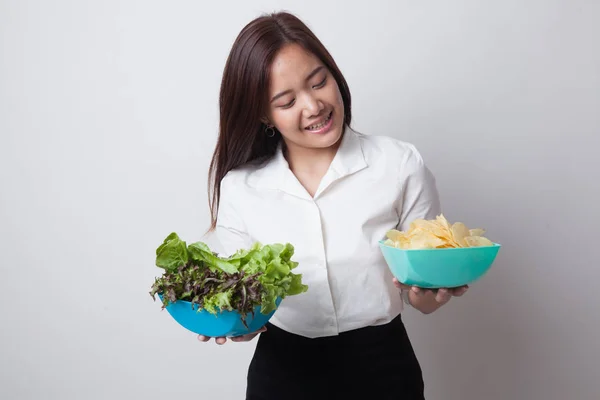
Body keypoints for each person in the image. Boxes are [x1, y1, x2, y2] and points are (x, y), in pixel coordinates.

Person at [201, 11, 468, 400]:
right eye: (287, 100)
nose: (313, 106)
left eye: (319, 81)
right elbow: (244, 297)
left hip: (383, 370)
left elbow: (420, 299)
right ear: (263, 114)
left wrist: (432, 290)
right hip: (282, 374)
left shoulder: (398, 164)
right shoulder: (241, 187)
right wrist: (231, 320)